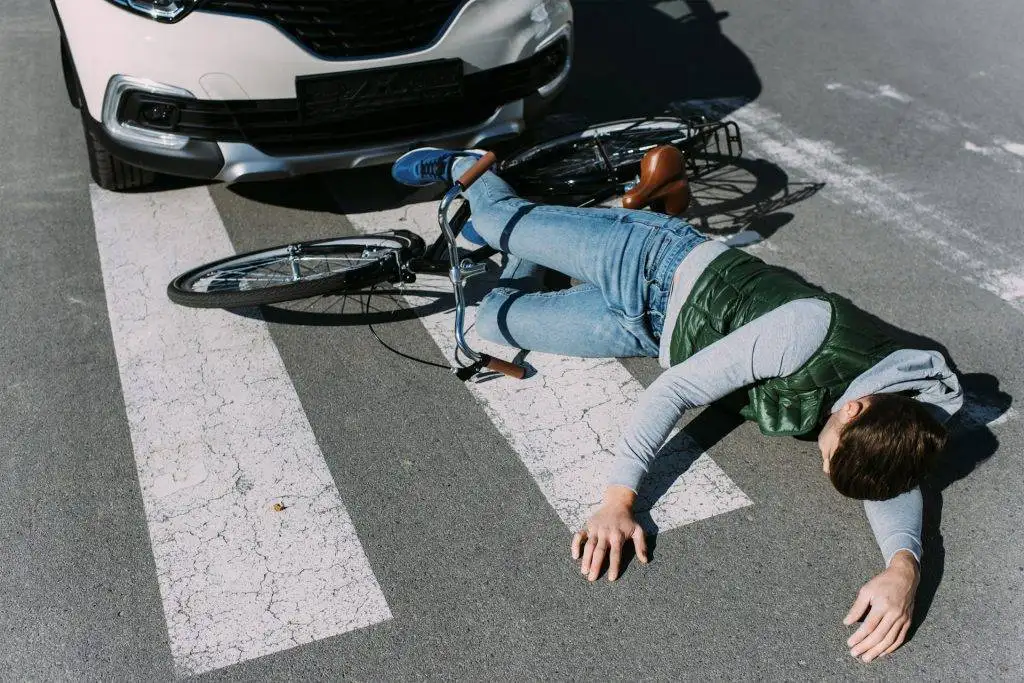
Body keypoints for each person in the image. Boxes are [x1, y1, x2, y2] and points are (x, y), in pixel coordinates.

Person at [391, 146, 964, 663]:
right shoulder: (807, 332)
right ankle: (470, 163)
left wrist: (903, 568)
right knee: (496, 222)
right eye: (830, 450)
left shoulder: (914, 417)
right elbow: (674, 391)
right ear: (857, 407)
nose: (821, 461)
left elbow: (893, 480)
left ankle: (558, 232)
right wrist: (618, 501)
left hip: (647, 331)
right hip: (650, 261)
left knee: (493, 320)